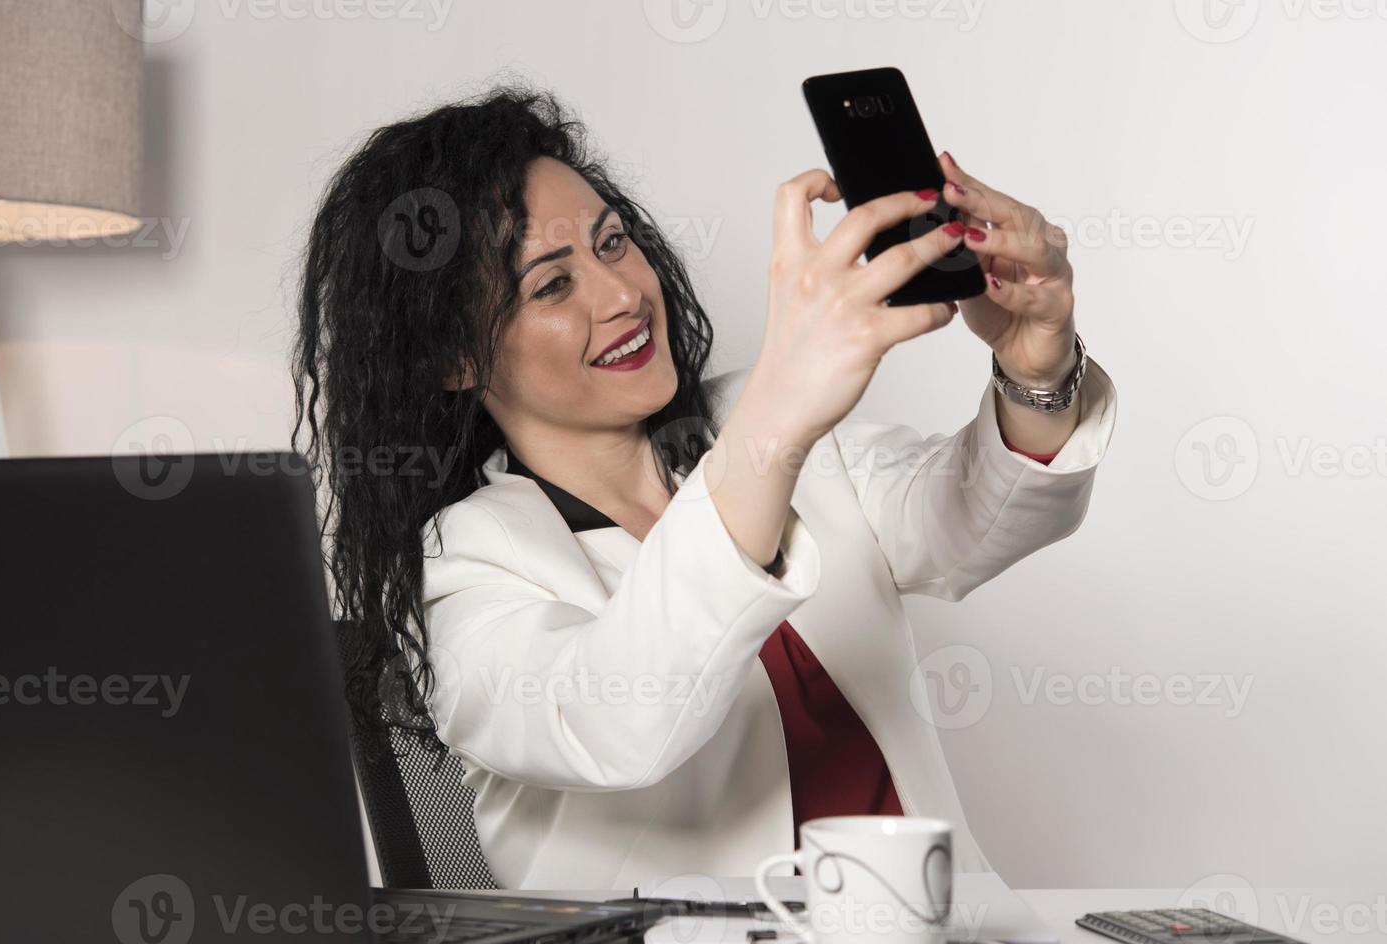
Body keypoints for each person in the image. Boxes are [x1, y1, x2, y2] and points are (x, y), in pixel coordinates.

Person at [292, 85, 1117, 889]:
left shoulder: (758, 430)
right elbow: (621, 720)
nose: (622, 296)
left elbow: (976, 518)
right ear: (455, 361)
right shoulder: (460, 566)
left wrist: (1033, 365)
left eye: (612, 244)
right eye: (551, 285)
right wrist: (777, 418)